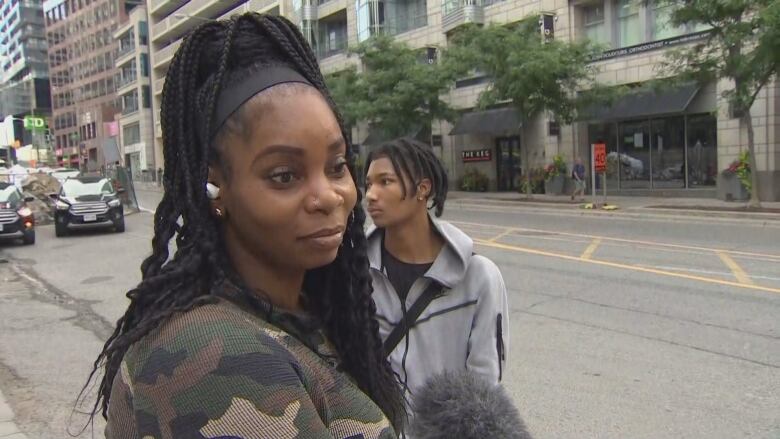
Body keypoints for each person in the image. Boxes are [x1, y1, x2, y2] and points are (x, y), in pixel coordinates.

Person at [82, 13, 405, 438]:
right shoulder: (216, 359)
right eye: (284, 175)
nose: (328, 196)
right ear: (216, 185)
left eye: (336, 165)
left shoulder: (302, 310)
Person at [363, 138, 509, 407]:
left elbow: (484, 387)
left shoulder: (479, 278)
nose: (371, 194)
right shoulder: (358, 272)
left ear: (423, 189)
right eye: (369, 184)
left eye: (385, 182)